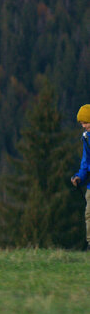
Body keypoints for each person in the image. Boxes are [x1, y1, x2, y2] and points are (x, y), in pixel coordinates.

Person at [70, 104, 90, 251]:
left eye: (86, 122)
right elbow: (85, 161)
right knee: (89, 214)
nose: (84, 126)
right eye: (82, 123)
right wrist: (80, 177)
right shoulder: (86, 138)